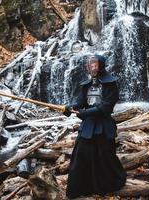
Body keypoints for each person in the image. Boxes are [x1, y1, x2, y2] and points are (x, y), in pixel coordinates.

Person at [63, 55, 127, 199]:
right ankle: (81, 188)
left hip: (103, 125)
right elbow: (79, 102)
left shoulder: (111, 84)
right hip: (88, 126)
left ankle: (106, 185)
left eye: (95, 65)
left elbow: (106, 107)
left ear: (101, 65)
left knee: (105, 156)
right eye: (90, 65)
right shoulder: (86, 85)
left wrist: (84, 113)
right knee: (81, 154)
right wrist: (70, 107)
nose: (92, 67)